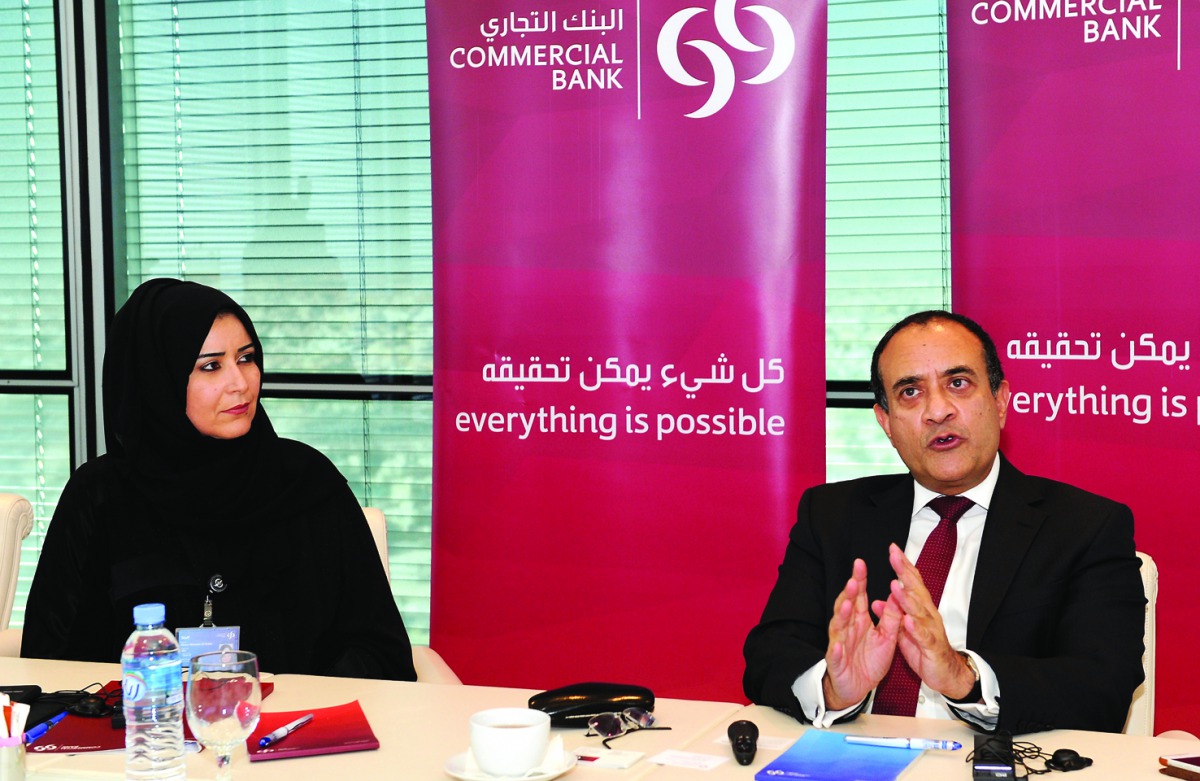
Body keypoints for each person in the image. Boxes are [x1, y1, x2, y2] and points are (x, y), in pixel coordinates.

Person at [743, 310, 1144, 734]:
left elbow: (1104, 688)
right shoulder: (831, 513)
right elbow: (769, 656)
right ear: (886, 422)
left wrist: (963, 677)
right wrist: (834, 688)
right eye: (910, 392)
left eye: (958, 383)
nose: (937, 410)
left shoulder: (1085, 526)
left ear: (1000, 401)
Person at [22, 278, 417, 681]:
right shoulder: (100, 498)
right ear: (158, 379)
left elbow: (381, 653)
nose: (240, 383)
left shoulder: (308, 483)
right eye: (211, 366)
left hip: (298, 733)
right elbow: (49, 663)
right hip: (145, 737)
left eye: (246, 358)